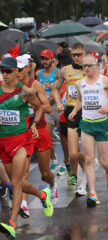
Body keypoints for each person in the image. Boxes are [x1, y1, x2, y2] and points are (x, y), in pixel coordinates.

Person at [0, 57, 53, 239]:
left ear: (16, 71)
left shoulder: (25, 92)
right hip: (3, 142)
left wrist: (34, 124)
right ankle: (42, 195)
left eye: (8, 71)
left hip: (22, 140)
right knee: (18, 184)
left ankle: (12, 224)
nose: (5, 75)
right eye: (2, 71)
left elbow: (40, 108)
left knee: (15, 182)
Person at [68, 54, 108, 207]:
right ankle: (92, 193)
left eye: (89, 66)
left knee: (104, 161)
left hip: (101, 124)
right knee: (89, 159)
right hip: (86, 124)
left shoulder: (105, 81)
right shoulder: (80, 83)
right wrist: (74, 111)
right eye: (84, 66)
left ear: (96, 65)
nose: (86, 68)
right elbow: (79, 100)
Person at [16, 55, 57, 217]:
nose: (17, 72)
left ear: (28, 68)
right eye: (14, 70)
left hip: (40, 132)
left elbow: (47, 108)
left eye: (20, 69)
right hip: (22, 134)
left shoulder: (36, 85)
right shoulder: (12, 86)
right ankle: (24, 205)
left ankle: (53, 187)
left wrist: (33, 103)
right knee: (23, 173)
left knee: (45, 173)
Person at [54, 43, 88, 196]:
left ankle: (86, 177)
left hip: (87, 111)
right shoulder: (65, 71)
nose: (77, 57)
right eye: (74, 55)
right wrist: (58, 102)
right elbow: (56, 87)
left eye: (79, 54)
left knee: (85, 147)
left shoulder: (89, 69)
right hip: (71, 111)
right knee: (73, 152)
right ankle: (81, 171)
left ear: (84, 54)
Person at [35, 49, 63, 174]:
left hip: (58, 108)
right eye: (43, 59)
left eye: (47, 59)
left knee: (64, 139)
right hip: (46, 110)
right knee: (47, 136)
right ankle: (55, 160)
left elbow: (62, 89)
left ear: (52, 59)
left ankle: (66, 162)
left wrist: (51, 87)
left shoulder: (58, 73)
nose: (44, 61)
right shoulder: (38, 73)